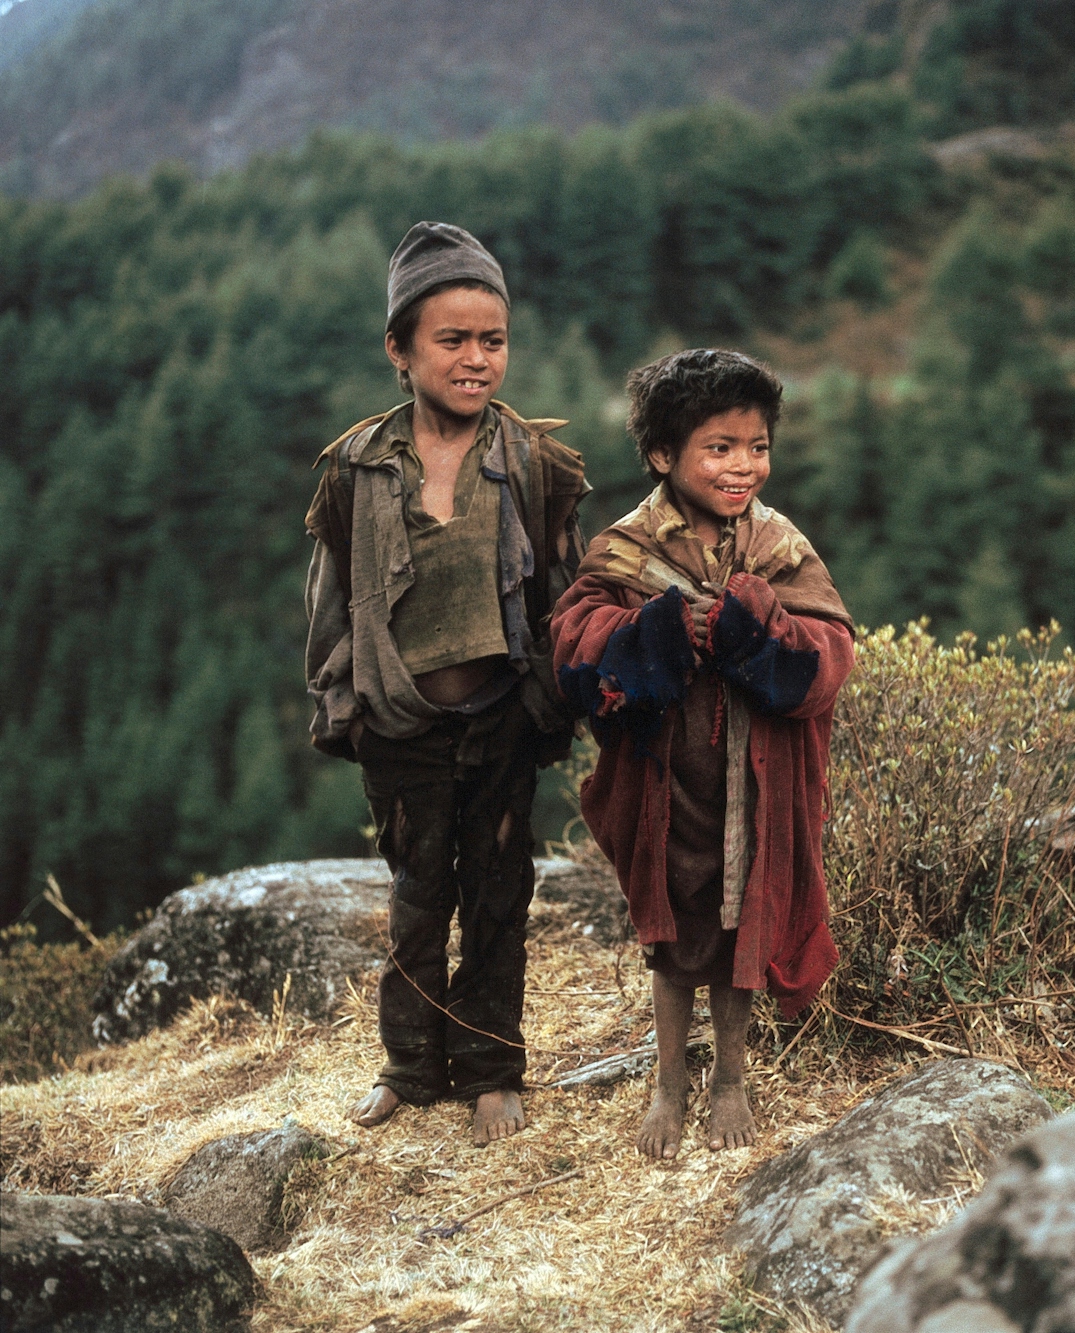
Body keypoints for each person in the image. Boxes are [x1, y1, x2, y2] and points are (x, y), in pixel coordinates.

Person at [304, 222, 587, 1144]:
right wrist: (343, 708)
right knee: (419, 893)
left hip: (502, 715)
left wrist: (552, 700)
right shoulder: (356, 469)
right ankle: (412, 1068)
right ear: (399, 348)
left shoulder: (535, 463)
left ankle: (493, 1068)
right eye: (451, 340)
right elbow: (333, 605)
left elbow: (562, 589)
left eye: (492, 340)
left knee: (500, 890)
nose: (476, 359)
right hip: (402, 721)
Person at [550, 349, 854, 1159]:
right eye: (719, 447)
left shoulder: (780, 545)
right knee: (672, 924)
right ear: (662, 454)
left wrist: (763, 635)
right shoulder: (626, 549)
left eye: (757, 445)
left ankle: (730, 1077)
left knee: (737, 917)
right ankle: (668, 1079)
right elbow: (574, 645)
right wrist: (653, 633)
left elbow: (830, 648)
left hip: (752, 781)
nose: (743, 465)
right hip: (665, 779)